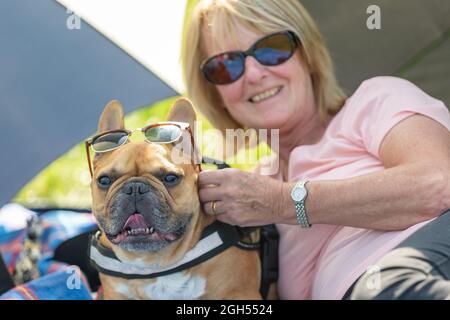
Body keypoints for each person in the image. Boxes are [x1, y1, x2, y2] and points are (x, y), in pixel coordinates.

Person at [181, 0, 450, 299]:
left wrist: (283, 202)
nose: (254, 74)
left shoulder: (373, 101)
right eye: (227, 65)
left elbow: (438, 185)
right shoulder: (243, 199)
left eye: (272, 48)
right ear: (214, 94)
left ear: (306, 55)